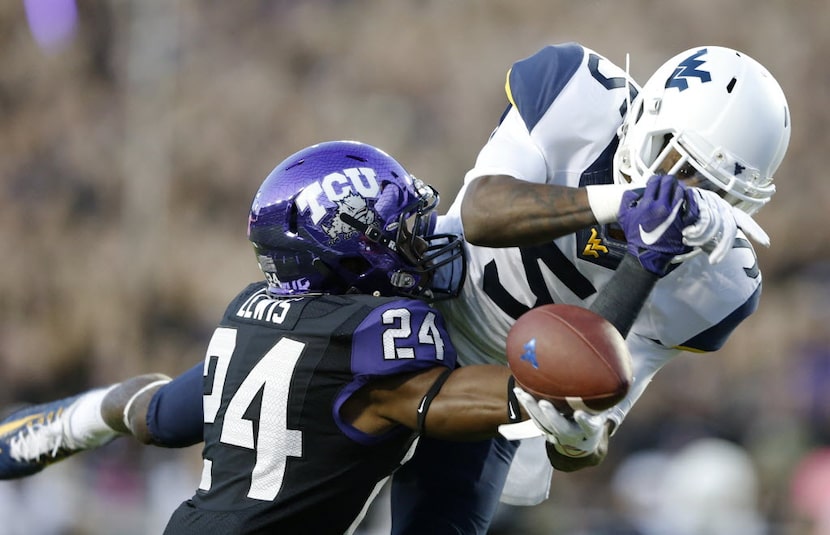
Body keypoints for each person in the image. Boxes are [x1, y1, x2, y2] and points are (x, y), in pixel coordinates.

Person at [0, 42, 790, 534]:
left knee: (429, 520)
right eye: (671, 158)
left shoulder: (720, 281)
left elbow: (597, 393)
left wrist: (586, 414)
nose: (678, 188)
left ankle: (84, 417)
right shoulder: (577, 93)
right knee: (184, 414)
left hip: (488, 378)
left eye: (705, 187)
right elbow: (482, 213)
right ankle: (80, 418)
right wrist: (619, 209)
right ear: (642, 111)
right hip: (421, 305)